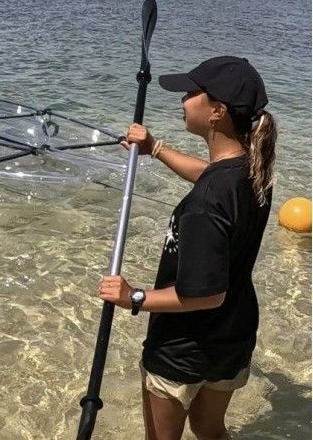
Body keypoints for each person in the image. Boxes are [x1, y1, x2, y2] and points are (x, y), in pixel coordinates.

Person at [98, 56, 276, 440]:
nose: (183, 99)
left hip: (183, 346)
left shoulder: (205, 205)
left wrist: (135, 297)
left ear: (217, 111)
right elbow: (208, 174)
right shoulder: (254, 169)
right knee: (209, 428)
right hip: (233, 335)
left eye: (192, 93)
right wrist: (156, 147)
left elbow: (206, 295)